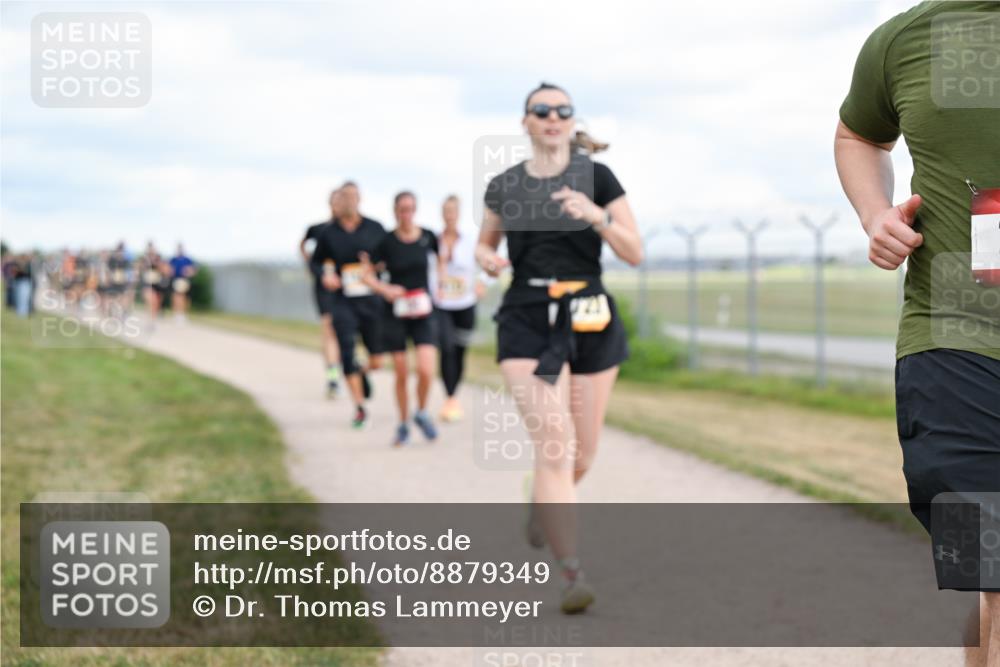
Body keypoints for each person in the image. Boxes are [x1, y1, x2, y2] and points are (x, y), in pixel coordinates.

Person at [834, 3, 999, 665]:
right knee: (988, 563)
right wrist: (876, 215)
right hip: (951, 341)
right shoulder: (905, 37)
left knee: (991, 591)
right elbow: (858, 136)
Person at [475, 82, 642, 613]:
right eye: (541, 110)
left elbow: (634, 250)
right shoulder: (504, 184)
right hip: (526, 315)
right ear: (525, 121)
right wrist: (486, 259)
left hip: (589, 313)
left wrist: (595, 215)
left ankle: (542, 504)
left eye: (562, 110)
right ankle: (572, 575)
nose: (552, 117)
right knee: (554, 440)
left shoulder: (598, 177)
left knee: (583, 452)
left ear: (573, 121)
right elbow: (485, 241)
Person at [362, 191, 441, 447]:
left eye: (410, 209)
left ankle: (421, 411)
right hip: (395, 312)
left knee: (427, 369)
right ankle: (403, 423)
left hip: (422, 310)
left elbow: (441, 262)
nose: (406, 214)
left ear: (415, 210)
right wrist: (385, 289)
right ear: (395, 211)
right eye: (401, 210)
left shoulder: (428, 236)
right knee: (401, 372)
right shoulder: (386, 242)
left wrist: (438, 286)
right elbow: (366, 275)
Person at [313, 181, 388, 429]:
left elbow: (389, 258)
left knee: (378, 358)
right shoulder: (328, 233)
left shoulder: (375, 228)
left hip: (371, 300)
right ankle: (359, 407)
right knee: (346, 349)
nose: (348, 201)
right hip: (343, 300)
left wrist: (375, 267)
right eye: (344, 197)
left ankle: (364, 373)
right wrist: (326, 275)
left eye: (353, 197)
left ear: (360, 199)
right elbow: (316, 262)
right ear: (338, 201)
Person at [432, 194, 485, 422]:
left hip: (465, 302)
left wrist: (482, 282)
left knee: (460, 351)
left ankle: (454, 394)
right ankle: (450, 397)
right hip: (442, 303)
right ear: (442, 214)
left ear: (458, 214)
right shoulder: (434, 240)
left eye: (453, 211)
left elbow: (484, 264)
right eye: (446, 212)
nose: (449, 216)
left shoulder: (470, 240)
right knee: (446, 348)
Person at [301, 188, 344, 397]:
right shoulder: (319, 229)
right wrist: (311, 266)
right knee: (328, 329)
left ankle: (352, 365)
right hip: (324, 287)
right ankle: (333, 376)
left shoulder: (352, 230)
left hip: (347, 288)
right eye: (335, 202)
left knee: (347, 330)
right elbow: (303, 244)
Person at [168, 243, 198, 323]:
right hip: (175, 280)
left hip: (184, 280)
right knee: (176, 297)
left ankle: (182, 314)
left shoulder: (187, 260)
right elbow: (168, 269)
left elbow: (194, 270)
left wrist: (189, 272)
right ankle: (176, 314)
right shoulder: (173, 259)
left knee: (184, 298)